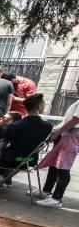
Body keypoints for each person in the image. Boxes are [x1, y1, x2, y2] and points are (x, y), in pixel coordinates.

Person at [35, 78, 79, 208]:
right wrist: (57, 132)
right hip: (66, 135)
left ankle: (57, 198)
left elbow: (75, 120)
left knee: (63, 167)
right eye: (77, 83)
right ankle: (46, 191)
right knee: (55, 164)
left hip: (71, 136)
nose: (76, 86)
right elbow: (68, 119)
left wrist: (58, 132)